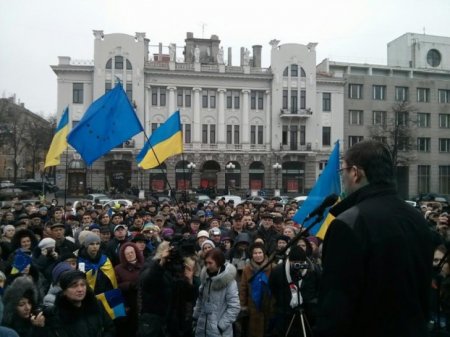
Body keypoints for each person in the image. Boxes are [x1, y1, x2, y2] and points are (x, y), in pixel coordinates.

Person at [314, 140, 433, 337]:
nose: (342, 177)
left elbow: (335, 306)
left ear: (355, 173)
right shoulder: (417, 219)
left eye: (343, 171)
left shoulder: (348, 223)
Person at [43, 270, 115, 337]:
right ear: (64, 291)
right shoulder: (57, 315)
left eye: (83, 285)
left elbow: (110, 328)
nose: (80, 290)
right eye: (74, 286)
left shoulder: (96, 305)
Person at [193, 248, 240, 337]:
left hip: (219, 332)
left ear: (218, 263)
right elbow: (200, 299)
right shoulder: (205, 278)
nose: (207, 266)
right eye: (206, 263)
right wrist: (195, 317)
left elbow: (234, 307)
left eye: (210, 263)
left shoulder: (229, 282)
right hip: (202, 328)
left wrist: (220, 326)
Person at [240, 243, 274, 337]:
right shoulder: (247, 269)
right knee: (255, 331)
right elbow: (243, 288)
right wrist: (243, 305)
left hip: (270, 304)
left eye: (260, 252)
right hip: (253, 306)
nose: (258, 255)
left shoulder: (272, 267)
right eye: (255, 253)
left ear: (264, 253)